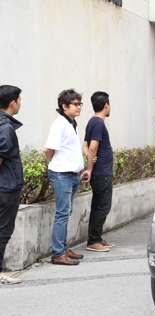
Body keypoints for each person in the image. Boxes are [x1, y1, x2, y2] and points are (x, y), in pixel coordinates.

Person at [43, 89, 87, 265]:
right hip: (61, 175)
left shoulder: (71, 123)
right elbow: (48, 150)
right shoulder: (59, 124)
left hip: (72, 175)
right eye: (75, 104)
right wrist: (57, 165)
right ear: (64, 106)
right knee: (62, 214)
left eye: (80, 104)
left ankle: (63, 247)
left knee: (66, 213)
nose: (79, 107)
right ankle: (58, 253)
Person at [83, 91, 114, 252]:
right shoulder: (98, 123)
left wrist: (89, 157)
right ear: (106, 105)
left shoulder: (92, 122)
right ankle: (93, 241)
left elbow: (85, 145)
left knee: (98, 206)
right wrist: (90, 168)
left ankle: (96, 238)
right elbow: (92, 147)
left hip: (100, 171)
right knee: (103, 206)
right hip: (101, 172)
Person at [0, 85, 23, 284]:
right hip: (6, 188)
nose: (20, 104)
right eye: (19, 100)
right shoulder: (6, 128)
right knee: (3, 231)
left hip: (5, 186)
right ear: (12, 102)